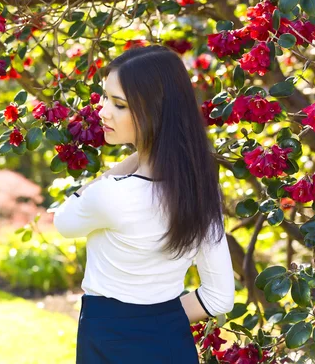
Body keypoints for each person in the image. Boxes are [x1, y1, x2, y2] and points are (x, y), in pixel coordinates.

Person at [53, 44, 235, 364]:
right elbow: (218, 298)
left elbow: (62, 223)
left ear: (155, 112)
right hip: (172, 345)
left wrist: (115, 169)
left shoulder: (110, 195)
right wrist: (155, 317)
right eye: (105, 97)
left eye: (119, 104)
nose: (103, 110)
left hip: (107, 344)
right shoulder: (201, 189)